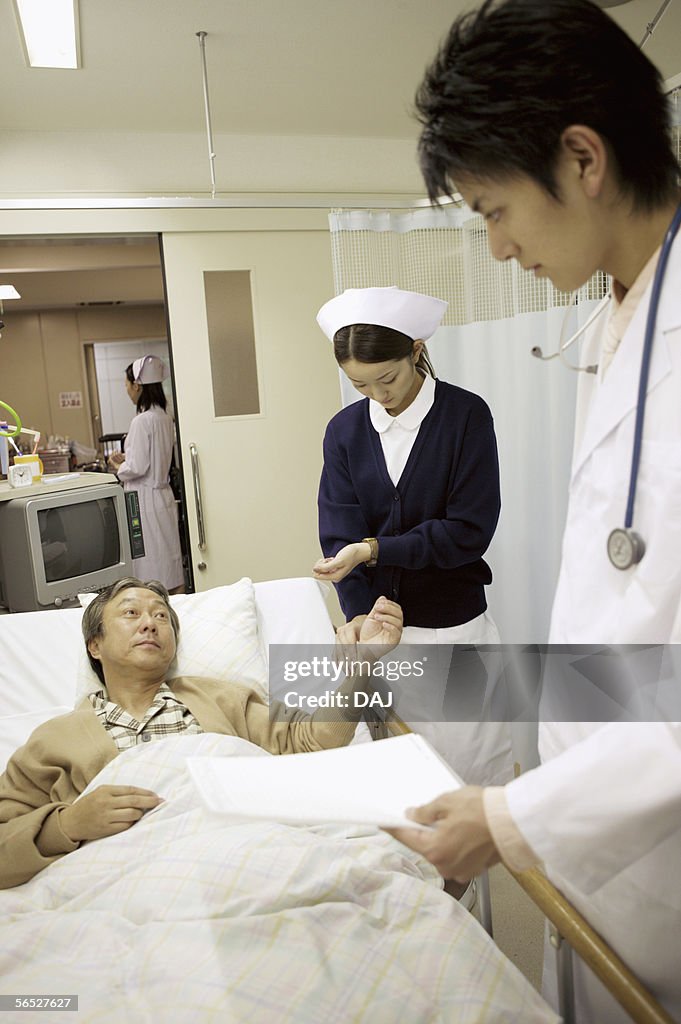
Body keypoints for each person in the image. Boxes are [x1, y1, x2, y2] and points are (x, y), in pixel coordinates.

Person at [387, 1, 681, 1021]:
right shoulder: (619, 320)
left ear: (583, 156)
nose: (499, 248)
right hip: (608, 856)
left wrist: (514, 818)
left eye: (494, 208)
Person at [0, 577, 403, 890]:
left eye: (161, 616)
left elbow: (313, 740)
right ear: (94, 646)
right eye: (130, 614)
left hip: (242, 852)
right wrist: (68, 825)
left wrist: (361, 667)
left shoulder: (223, 699)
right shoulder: (52, 741)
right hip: (124, 876)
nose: (150, 624)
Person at [312, 286, 512, 791]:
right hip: (382, 640)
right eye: (359, 384)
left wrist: (376, 550)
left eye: (388, 378)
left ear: (417, 351)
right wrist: (360, 616)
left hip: (454, 630)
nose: (379, 394)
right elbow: (339, 532)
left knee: (470, 779)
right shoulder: (344, 432)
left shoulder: (465, 416)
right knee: (404, 786)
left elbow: (468, 532)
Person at [107, 355, 184, 593]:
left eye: (128, 386)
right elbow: (150, 459)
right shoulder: (164, 417)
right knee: (169, 559)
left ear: (137, 386)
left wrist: (117, 466)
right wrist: (128, 460)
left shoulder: (142, 421)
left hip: (142, 499)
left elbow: (138, 468)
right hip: (163, 494)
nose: (128, 391)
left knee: (148, 564)